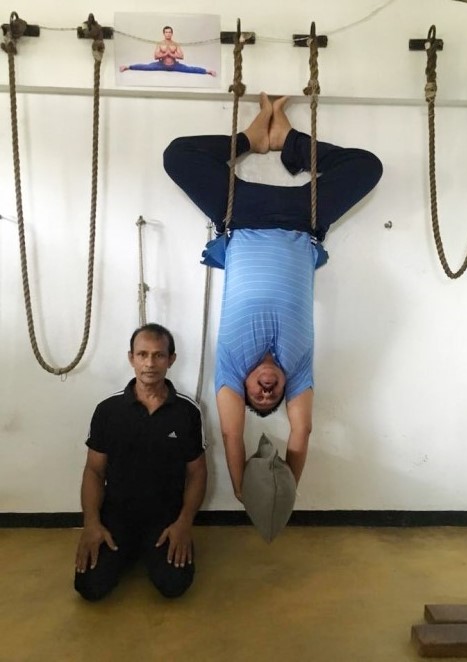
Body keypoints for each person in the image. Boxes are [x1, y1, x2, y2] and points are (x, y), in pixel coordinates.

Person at [163, 93, 382, 501]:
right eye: (274, 396)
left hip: (239, 216)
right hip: (303, 220)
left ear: (242, 387)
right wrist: (287, 491)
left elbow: (233, 435)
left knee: (177, 156)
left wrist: (243, 490)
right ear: (286, 390)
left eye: (257, 395)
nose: (266, 392)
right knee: (367, 166)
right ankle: (289, 141)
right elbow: (302, 430)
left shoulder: (231, 365)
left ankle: (251, 138)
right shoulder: (297, 369)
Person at [74, 323, 207, 601]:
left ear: (171, 359)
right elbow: (94, 471)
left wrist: (184, 523)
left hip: (165, 517)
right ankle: (129, 550)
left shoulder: (188, 412)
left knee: (174, 586)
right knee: (89, 588)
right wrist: (92, 524)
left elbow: (197, 472)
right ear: (131, 358)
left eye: (159, 355)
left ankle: (144, 551)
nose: (150, 363)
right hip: (117, 515)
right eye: (142, 354)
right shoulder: (108, 411)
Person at [120, 25, 216, 77]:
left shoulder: (176, 44)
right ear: (164, 33)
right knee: (146, 67)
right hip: (161, 65)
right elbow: (155, 56)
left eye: (170, 32)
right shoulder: (160, 43)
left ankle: (208, 71)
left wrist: (172, 55)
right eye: (166, 32)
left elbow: (182, 56)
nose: (168, 34)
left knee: (190, 69)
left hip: (174, 66)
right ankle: (127, 67)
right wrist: (166, 53)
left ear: (172, 33)